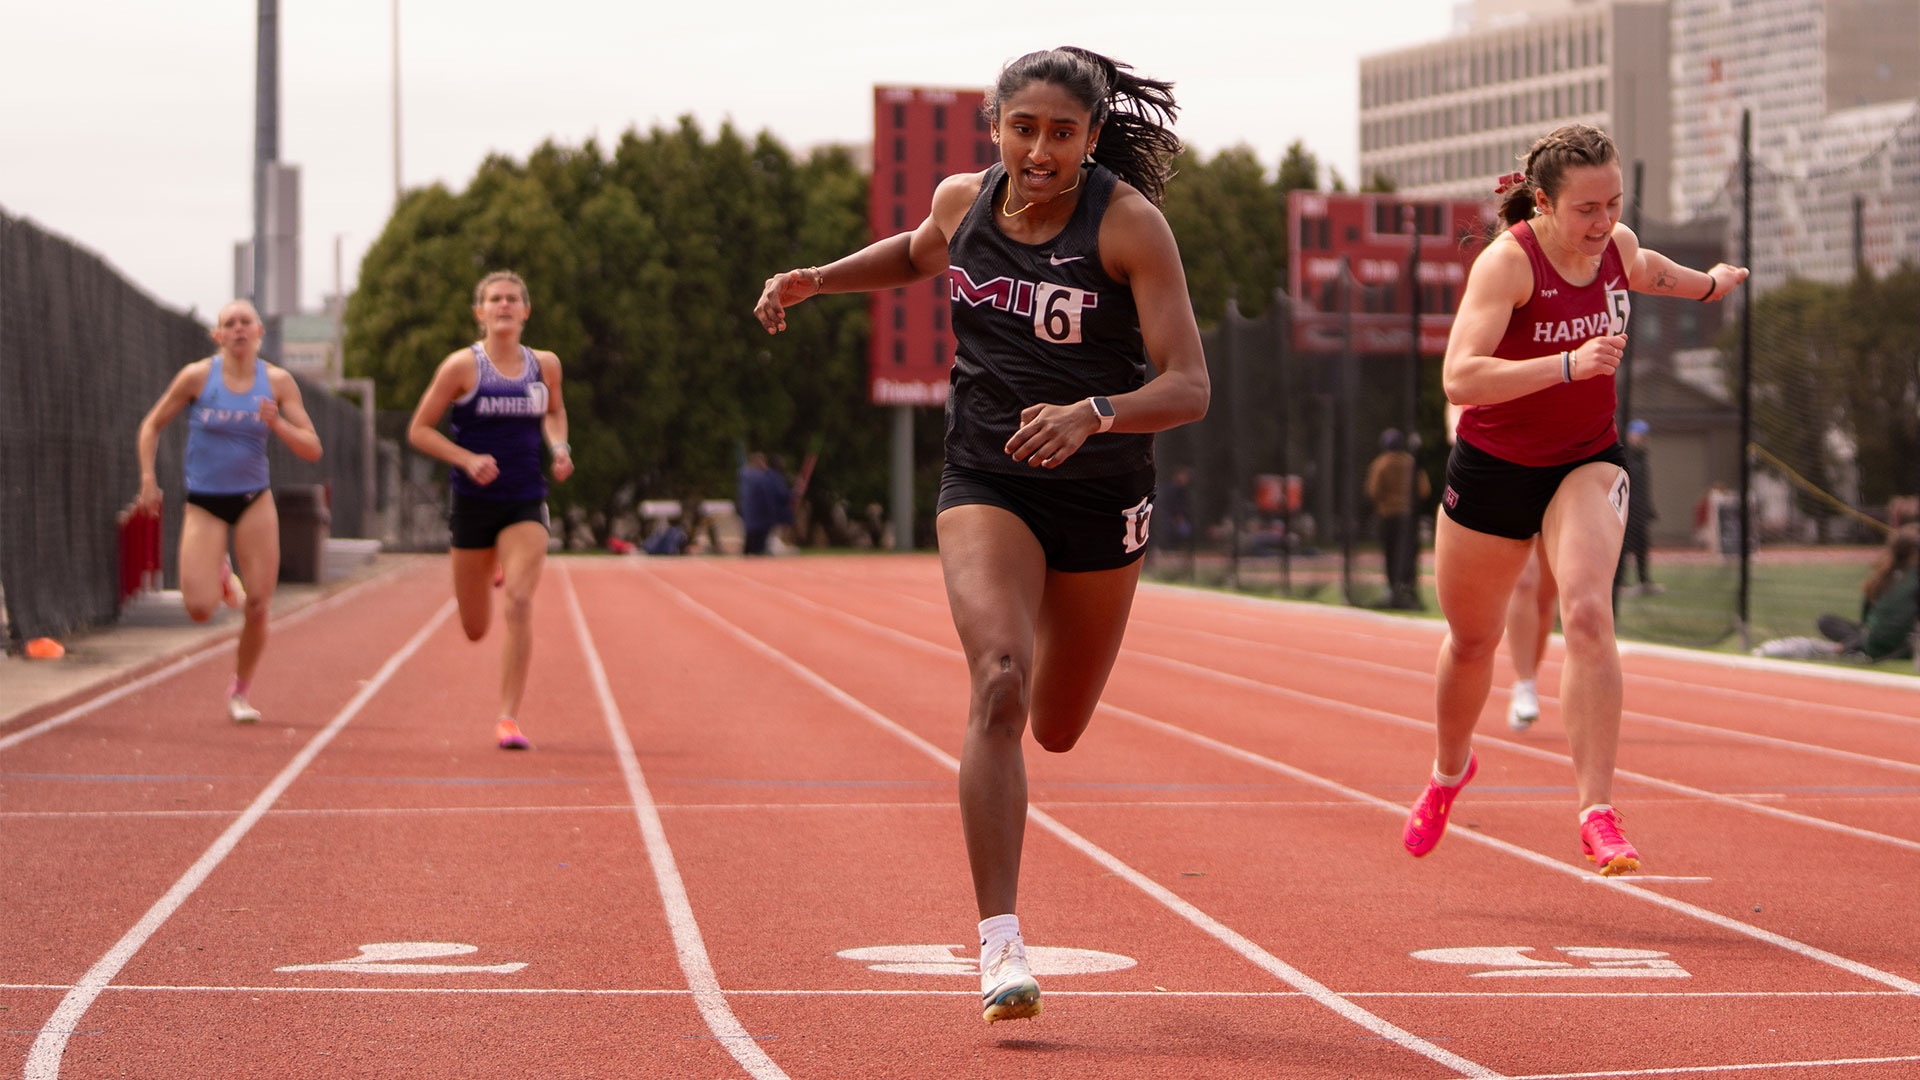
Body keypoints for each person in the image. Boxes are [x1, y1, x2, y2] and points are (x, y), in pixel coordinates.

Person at [754, 46, 1207, 1023]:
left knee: (1058, 724)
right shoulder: (965, 201)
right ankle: (1000, 945)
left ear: (1090, 140)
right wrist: (817, 281)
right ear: (994, 128)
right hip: (988, 476)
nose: (1040, 150)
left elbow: (1189, 386)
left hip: (1101, 488)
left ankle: (1035, 734)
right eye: (1024, 128)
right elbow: (919, 250)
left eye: (1062, 133)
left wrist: (1095, 410)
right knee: (1000, 679)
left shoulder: (1129, 225)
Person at [1400, 123, 1748, 877]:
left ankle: (1597, 809)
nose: (1602, 223)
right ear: (1545, 205)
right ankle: (1449, 772)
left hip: (1586, 459)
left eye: (1613, 203)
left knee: (1587, 611)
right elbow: (1461, 377)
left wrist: (1710, 284)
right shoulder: (1507, 266)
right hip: (1494, 466)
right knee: (1471, 641)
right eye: (1587, 209)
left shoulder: (1614, 246)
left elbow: (1647, 267)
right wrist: (1565, 364)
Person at [134, 300, 324, 724]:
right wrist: (148, 478)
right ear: (217, 335)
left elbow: (312, 447)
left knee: (258, 604)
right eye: (228, 324)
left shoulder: (276, 381)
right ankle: (219, 571)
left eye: (245, 322)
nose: (238, 329)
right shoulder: (198, 377)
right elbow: (151, 425)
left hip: (254, 499)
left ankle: (240, 690)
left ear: (259, 332)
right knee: (199, 609)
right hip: (205, 501)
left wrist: (278, 425)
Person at [407, 271, 572, 750]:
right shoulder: (461, 367)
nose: (504, 305)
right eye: (494, 299)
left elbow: (555, 412)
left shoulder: (545, 366)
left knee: (519, 602)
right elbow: (419, 430)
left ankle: (508, 717)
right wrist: (466, 459)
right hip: (473, 503)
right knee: (475, 628)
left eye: (512, 298)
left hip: (525, 498)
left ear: (526, 311)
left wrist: (560, 447)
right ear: (480, 313)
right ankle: (491, 560)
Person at [1754, 525, 1918, 661]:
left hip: (1877, 640)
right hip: (1894, 643)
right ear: (1913, 553)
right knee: (1831, 623)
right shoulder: (1902, 578)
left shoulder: (1883, 577)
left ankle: (1846, 646)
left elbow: (1866, 618)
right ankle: (1848, 646)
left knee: (1842, 628)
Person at [1365, 428, 1431, 609]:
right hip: (1409, 516)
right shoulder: (1411, 463)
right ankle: (1408, 588)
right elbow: (1424, 489)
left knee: (1390, 552)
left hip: (1388, 515)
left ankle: (1392, 589)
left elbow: (1373, 490)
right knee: (1408, 552)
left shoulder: (1381, 464)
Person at [1504, 540, 1558, 730]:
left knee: (1544, 600)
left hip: (1556, 510)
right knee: (1524, 582)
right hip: (1516, 510)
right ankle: (1524, 684)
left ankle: (1528, 678)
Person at [1615, 418, 1660, 594]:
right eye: (1639, 434)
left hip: (1640, 511)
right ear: (1631, 435)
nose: (1642, 438)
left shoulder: (1642, 457)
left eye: (1644, 435)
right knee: (1624, 547)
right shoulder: (1624, 456)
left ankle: (1644, 581)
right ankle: (1619, 582)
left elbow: (1643, 487)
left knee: (1642, 546)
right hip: (1626, 510)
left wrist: (1649, 508)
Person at [737, 451, 792, 556]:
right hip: (761, 514)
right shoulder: (762, 478)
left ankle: (749, 557)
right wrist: (792, 494)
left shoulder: (746, 477)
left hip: (752, 514)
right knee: (758, 542)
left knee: (752, 539)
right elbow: (775, 494)